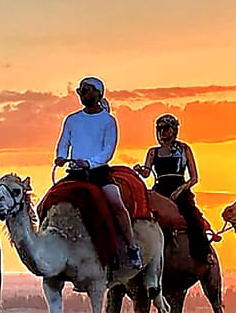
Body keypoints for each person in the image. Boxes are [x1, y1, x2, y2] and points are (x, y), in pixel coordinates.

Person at [55, 76, 141, 269]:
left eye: (85, 90)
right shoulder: (72, 119)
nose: (82, 94)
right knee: (51, 201)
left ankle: (132, 246)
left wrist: (89, 163)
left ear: (97, 92)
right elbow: (64, 142)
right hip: (75, 172)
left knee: (115, 203)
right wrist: (61, 156)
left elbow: (108, 151)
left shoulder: (108, 121)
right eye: (81, 91)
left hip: (98, 173)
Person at [134, 113, 214, 263]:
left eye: (165, 128)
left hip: (179, 187)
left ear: (173, 130)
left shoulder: (184, 149)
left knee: (192, 216)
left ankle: (204, 253)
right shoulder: (153, 152)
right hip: (160, 187)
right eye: (159, 128)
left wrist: (181, 189)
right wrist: (140, 170)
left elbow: (194, 177)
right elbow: (147, 172)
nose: (162, 132)